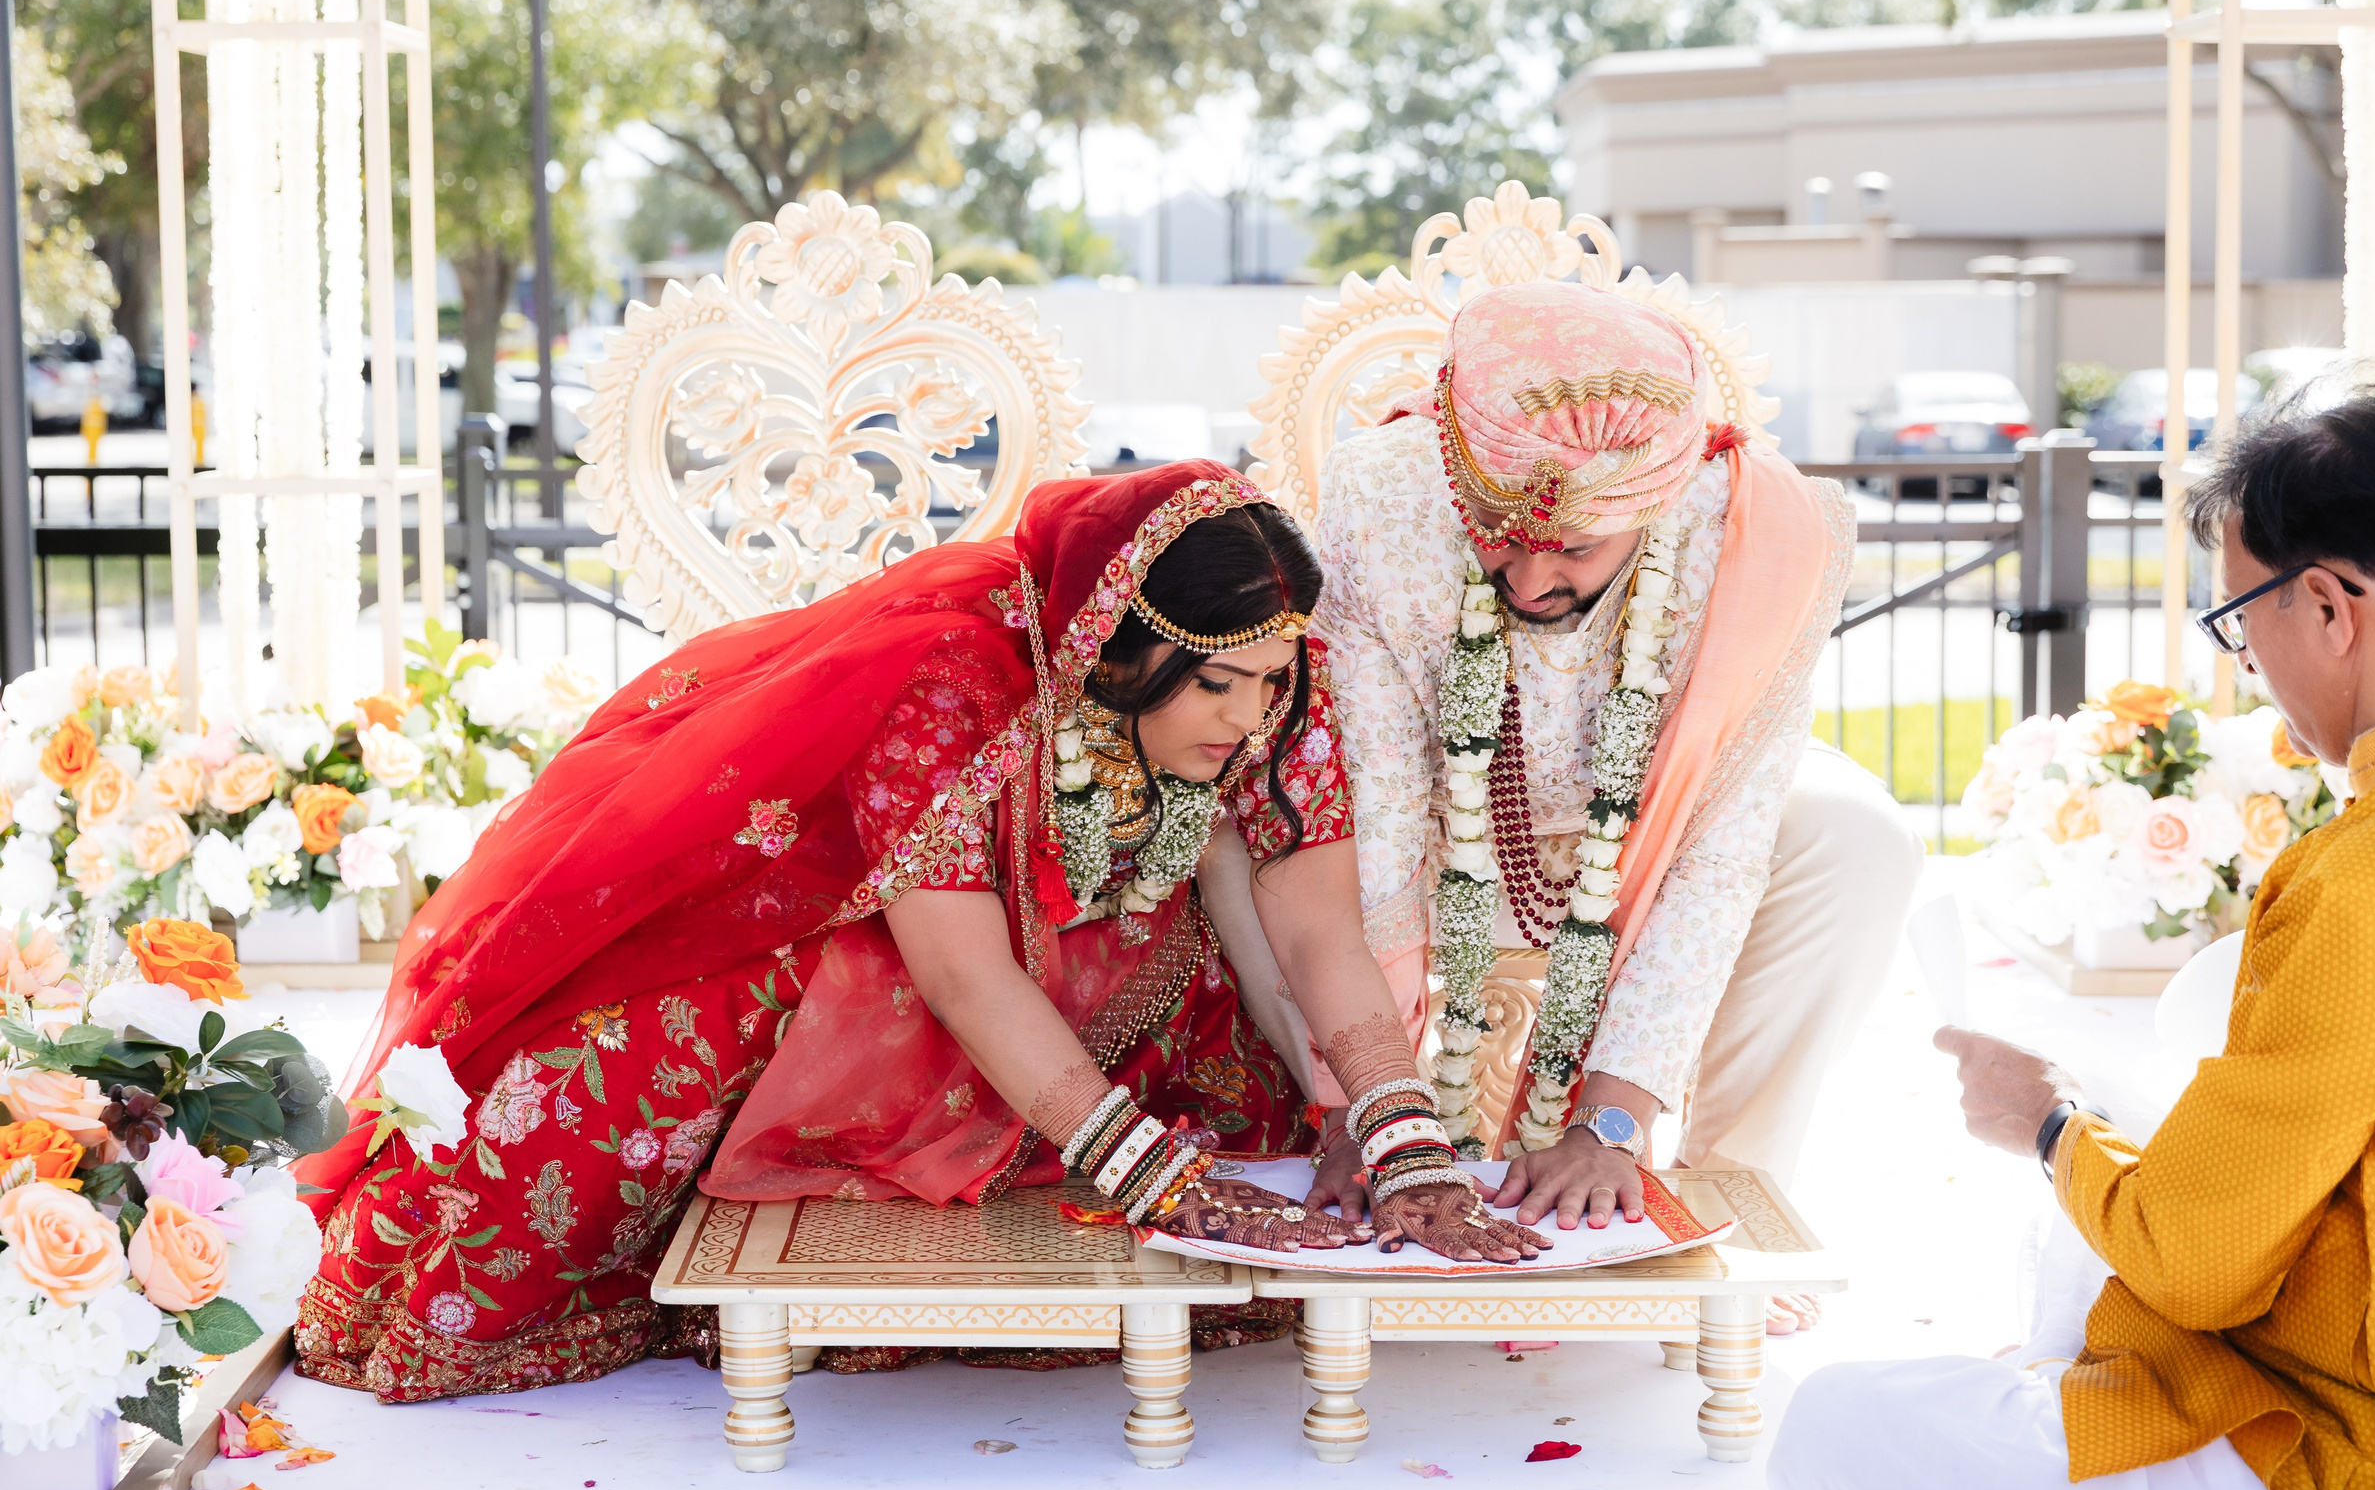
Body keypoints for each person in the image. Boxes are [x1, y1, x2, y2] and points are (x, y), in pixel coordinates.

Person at [294, 460, 1541, 1403]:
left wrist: (1398, 1137)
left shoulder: (1278, 694)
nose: (1249, 714)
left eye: (1268, 679)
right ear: (1114, 654)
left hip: (1122, 948)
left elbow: (1315, 930)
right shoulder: (953, 682)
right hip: (893, 946)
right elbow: (960, 970)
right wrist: (1155, 1177)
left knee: (1266, 1092)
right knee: (645, 1048)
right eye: (1215, 683)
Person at [1769, 385, 2375, 1490]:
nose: (2246, 666)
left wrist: (2043, 1121)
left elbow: (2198, 1268)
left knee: (1830, 1437)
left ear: (2326, 606)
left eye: (2238, 620)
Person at [1306, 280, 1917, 1329]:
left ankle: (1725, 1197)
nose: (1531, 578)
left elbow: (1723, 840)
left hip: (1662, 822)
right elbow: (1380, 811)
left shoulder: (1763, 537)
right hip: (1447, 825)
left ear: (1658, 501)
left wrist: (1613, 1120)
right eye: (1498, 534)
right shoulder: (1385, 492)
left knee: (1861, 840)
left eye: (1579, 546)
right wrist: (1372, 1106)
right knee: (1269, 828)